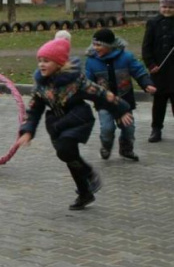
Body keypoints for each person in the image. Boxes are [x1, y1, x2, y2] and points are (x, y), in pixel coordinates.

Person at [17, 38, 133, 210]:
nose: (41, 65)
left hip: (78, 119)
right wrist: (27, 130)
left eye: (46, 61)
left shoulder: (76, 81)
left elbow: (101, 94)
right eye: (40, 61)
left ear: (59, 63)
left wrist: (121, 109)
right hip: (57, 123)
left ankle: (89, 173)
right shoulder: (41, 86)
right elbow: (33, 110)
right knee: (68, 156)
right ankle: (85, 192)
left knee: (66, 149)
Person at [84, 28, 155, 161]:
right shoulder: (92, 61)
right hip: (104, 102)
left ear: (109, 45)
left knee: (128, 128)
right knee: (107, 128)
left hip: (124, 101)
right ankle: (106, 145)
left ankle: (126, 149)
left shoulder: (126, 57)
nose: (95, 48)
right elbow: (87, 82)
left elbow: (139, 71)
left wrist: (147, 84)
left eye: (99, 45)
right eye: (94, 44)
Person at [142, 0, 174, 143]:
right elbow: (146, 47)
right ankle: (156, 129)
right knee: (159, 103)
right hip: (159, 71)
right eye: (164, 6)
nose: (167, 9)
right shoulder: (153, 23)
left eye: (171, 7)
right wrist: (151, 64)